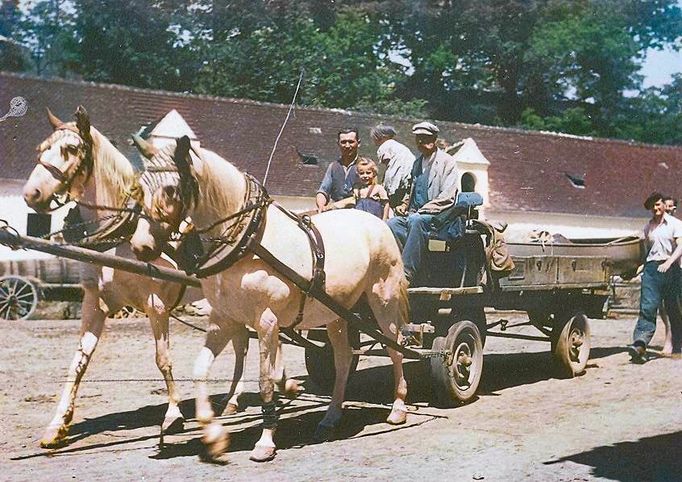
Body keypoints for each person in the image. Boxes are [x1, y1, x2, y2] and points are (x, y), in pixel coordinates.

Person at [386, 121, 459, 285]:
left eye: (425, 138)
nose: (421, 142)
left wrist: (423, 211)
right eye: (418, 138)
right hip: (416, 216)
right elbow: (411, 191)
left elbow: (448, 196)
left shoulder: (447, 162)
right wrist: (404, 205)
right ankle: (398, 266)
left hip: (441, 217)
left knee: (415, 220)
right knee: (392, 224)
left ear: (434, 139)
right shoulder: (417, 163)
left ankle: (407, 274)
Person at [629, 192, 682, 363]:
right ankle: (640, 343)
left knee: (674, 308)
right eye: (652, 206)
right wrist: (639, 267)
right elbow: (645, 250)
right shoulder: (648, 227)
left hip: (671, 267)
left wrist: (669, 262)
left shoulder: (675, 224)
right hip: (652, 269)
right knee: (648, 306)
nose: (655, 208)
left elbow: (680, 247)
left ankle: (677, 343)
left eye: (658, 204)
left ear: (664, 205)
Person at [370, 124, 416, 212]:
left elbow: (387, 162)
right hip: (409, 173)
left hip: (399, 172)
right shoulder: (400, 146)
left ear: (380, 136)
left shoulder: (385, 146)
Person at [316, 128, 361, 212]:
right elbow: (323, 191)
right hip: (336, 213)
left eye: (351, 142)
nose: (347, 146)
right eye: (343, 142)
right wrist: (321, 205)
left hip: (358, 212)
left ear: (358, 143)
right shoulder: (333, 166)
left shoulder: (365, 165)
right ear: (338, 144)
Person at [657, 195, 677, 354]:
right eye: (666, 206)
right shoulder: (660, 227)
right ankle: (670, 339)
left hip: (678, 270)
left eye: (670, 206)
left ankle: (673, 341)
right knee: (663, 307)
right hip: (667, 270)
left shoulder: (678, 226)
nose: (668, 209)